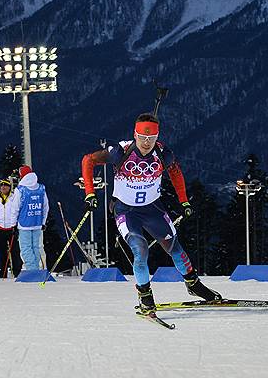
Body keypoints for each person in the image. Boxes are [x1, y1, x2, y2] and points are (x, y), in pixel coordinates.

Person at [80, 112, 222, 316]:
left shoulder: (163, 154)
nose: (147, 142)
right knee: (140, 249)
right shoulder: (121, 151)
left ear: (158, 137)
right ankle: (145, 296)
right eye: (143, 137)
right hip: (126, 211)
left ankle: (193, 284)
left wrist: (184, 200)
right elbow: (88, 160)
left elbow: (175, 172)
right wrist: (89, 193)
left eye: (152, 138)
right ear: (135, 135)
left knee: (175, 247)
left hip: (153, 209)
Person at [13, 165, 48, 271]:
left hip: (24, 223)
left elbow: (15, 208)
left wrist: (13, 223)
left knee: (26, 248)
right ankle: (36, 268)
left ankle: (31, 269)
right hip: (37, 223)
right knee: (36, 247)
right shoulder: (41, 188)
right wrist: (43, 221)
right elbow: (45, 207)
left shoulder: (21, 189)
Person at [0, 178, 21, 278]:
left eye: (6, 185)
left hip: (11, 229)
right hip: (0, 229)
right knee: (2, 253)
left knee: (15, 252)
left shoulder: (14, 198)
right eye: (2, 185)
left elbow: (17, 211)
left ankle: (17, 272)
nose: (3, 187)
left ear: (9, 187)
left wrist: (16, 226)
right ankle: (2, 272)